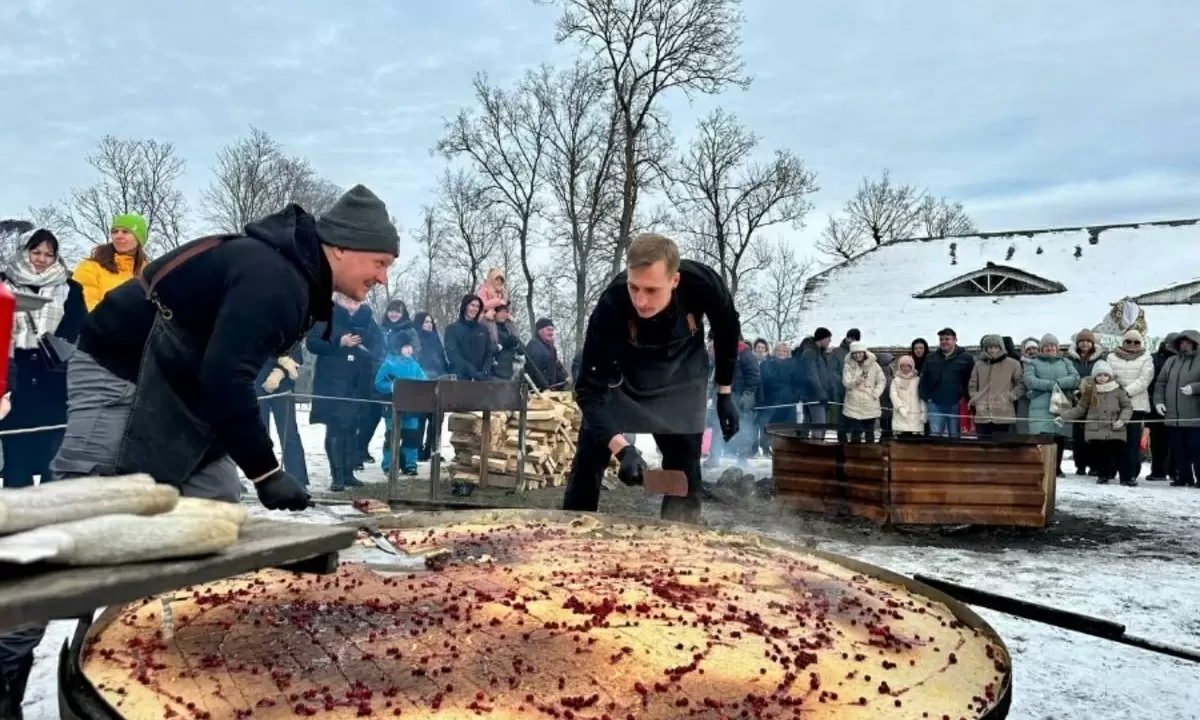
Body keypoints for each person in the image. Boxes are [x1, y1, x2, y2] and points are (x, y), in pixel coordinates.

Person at [3, 185, 398, 712]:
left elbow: (225, 368)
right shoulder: (274, 277)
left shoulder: (299, 278)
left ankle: (154, 646)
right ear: (342, 248)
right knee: (84, 528)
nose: (383, 277)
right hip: (120, 370)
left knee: (215, 509)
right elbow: (225, 377)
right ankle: (7, 661)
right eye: (380, 261)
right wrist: (266, 471)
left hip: (181, 387)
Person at [565, 233, 740, 522]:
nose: (641, 301)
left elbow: (727, 331)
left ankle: (680, 538)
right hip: (624, 380)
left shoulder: (704, 284)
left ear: (675, 281)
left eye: (651, 290)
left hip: (682, 379)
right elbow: (587, 390)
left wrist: (725, 393)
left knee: (684, 468)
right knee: (589, 454)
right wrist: (622, 450)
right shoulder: (611, 305)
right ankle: (569, 534)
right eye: (634, 287)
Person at [0, 228, 87, 487]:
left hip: (53, 371)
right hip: (15, 369)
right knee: (15, 443)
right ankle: (15, 504)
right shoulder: (3, 283)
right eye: (35, 252)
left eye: (49, 254)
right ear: (23, 252)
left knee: (53, 443)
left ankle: (52, 505)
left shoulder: (70, 288)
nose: (41, 259)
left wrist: (57, 344)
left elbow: (78, 325)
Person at [307, 293, 382, 491]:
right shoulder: (327, 316)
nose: (352, 305)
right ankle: (337, 475)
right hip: (333, 382)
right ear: (338, 300)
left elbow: (379, 346)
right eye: (347, 301)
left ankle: (349, 473)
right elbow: (312, 343)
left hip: (359, 383)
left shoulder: (367, 320)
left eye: (355, 301)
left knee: (353, 427)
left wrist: (368, 352)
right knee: (336, 426)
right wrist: (339, 342)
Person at [1058, 361, 1133, 485]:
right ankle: (1103, 475)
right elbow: (1080, 408)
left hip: (1115, 428)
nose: (1102, 378)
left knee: (1121, 453)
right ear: (1094, 376)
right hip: (1096, 429)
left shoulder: (1118, 390)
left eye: (1105, 375)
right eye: (1099, 375)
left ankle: (1126, 478)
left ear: (1110, 376)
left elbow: (1127, 407)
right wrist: (1064, 416)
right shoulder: (1089, 391)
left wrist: (1123, 420)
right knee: (1101, 454)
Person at [1024, 334, 1080, 477]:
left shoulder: (1066, 362)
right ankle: (1039, 466)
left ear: (1057, 347)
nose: (1050, 348)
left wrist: (1060, 383)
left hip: (1060, 404)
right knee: (1041, 438)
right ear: (1042, 348)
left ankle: (1057, 468)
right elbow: (1029, 380)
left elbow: (1075, 378)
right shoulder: (1033, 363)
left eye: (1052, 345)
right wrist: (1050, 385)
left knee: (1058, 437)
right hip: (1040, 405)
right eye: (1047, 346)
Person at [375, 330, 427, 475]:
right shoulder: (388, 364)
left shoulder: (414, 365)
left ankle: (409, 464)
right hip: (394, 406)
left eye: (410, 346)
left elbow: (423, 380)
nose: (409, 349)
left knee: (411, 436)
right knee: (393, 435)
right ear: (397, 347)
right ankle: (389, 464)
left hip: (412, 406)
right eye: (405, 346)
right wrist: (391, 387)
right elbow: (379, 383)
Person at [256, 345, 309, 486]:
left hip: (283, 384)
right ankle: (264, 479)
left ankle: (297, 479)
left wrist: (280, 371)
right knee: (260, 434)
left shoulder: (288, 327)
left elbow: (297, 355)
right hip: (256, 382)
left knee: (289, 432)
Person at [1152, 330, 1200, 487]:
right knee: (1178, 449)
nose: (1183, 345)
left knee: (1196, 449)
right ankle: (1184, 477)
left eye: (1187, 342)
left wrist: (1194, 388)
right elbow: (1160, 383)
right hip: (1173, 415)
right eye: (1181, 342)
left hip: (1195, 415)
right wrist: (1158, 401)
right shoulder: (1171, 361)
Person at [74, 213, 149, 311]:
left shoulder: (148, 275)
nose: (118, 236)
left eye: (125, 232)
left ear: (139, 239)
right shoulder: (90, 267)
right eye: (115, 231)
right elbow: (85, 307)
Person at [1107, 329, 1155, 482]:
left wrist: (1126, 391)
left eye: (1136, 342)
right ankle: (1111, 470)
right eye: (1128, 341)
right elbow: (1107, 375)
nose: (1132, 344)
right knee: (1114, 439)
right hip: (1115, 403)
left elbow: (1145, 379)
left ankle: (1132, 472)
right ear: (1123, 342)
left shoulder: (1147, 358)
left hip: (1136, 405)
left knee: (1132, 441)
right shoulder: (1111, 357)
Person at [919, 328, 975, 437]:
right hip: (935, 403)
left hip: (956, 403)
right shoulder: (931, 358)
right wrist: (927, 398)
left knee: (955, 435)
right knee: (935, 434)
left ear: (955, 340)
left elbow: (971, 380)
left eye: (947, 339)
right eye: (941, 339)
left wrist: (965, 397)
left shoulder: (966, 358)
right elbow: (923, 379)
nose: (944, 342)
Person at [968, 334, 1024, 439]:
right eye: (990, 347)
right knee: (983, 446)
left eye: (995, 347)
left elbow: (1021, 384)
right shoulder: (978, 365)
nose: (992, 350)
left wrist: (1010, 396)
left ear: (1000, 348)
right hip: (982, 413)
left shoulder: (1013, 364)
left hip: (1004, 413)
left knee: (1002, 447)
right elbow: (972, 385)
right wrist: (975, 398)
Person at [1067, 329, 1107, 476]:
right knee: (1078, 435)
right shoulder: (1070, 359)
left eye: (1088, 341)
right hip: (1076, 398)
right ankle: (1080, 464)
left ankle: (1094, 465)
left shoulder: (1100, 359)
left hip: (1095, 400)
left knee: (1094, 433)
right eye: (1082, 341)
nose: (1085, 343)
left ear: (1093, 343)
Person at [412, 311, 448, 461]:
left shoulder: (435, 338)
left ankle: (433, 449)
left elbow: (441, 358)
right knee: (420, 418)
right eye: (425, 322)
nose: (429, 325)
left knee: (437, 418)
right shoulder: (416, 338)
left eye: (430, 322)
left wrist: (446, 372)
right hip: (422, 381)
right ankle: (418, 450)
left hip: (438, 380)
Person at [1147, 332, 1180, 481]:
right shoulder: (1153, 359)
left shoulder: (1182, 359)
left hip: (1178, 405)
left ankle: (1175, 471)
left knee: (1176, 440)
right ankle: (1158, 471)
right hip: (1157, 405)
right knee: (1158, 442)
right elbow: (1151, 381)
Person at [841, 341, 887, 443]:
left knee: (869, 432)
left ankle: (869, 455)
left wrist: (875, 393)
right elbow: (846, 382)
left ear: (864, 352)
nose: (858, 355)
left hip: (870, 403)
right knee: (856, 432)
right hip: (853, 403)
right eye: (855, 353)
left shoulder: (874, 365)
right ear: (852, 354)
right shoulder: (848, 366)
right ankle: (854, 455)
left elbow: (882, 381)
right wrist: (855, 382)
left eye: (860, 352)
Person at [444, 295, 494, 381]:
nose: (475, 309)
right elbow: (453, 355)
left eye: (477, 307)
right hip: (460, 378)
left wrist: (485, 371)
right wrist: (471, 371)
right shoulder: (452, 329)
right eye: (472, 305)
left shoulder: (483, 329)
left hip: (481, 378)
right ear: (465, 306)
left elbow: (489, 352)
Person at [797, 328, 836, 439]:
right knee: (819, 425)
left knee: (809, 423)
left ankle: (804, 448)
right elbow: (811, 375)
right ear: (822, 338)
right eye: (828, 338)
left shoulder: (819, 352)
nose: (830, 341)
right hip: (813, 395)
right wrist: (821, 394)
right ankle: (817, 448)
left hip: (816, 395)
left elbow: (824, 374)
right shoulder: (810, 352)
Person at [526, 317, 570, 390]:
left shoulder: (550, 347)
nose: (551, 333)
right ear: (540, 330)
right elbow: (533, 371)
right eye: (548, 330)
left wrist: (564, 377)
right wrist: (544, 387)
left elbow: (556, 364)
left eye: (552, 330)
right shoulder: (534, 346)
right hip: (539, 391)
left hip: (550, 389)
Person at [890, 355, 926, 437]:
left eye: (907, 366)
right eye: (902, 366)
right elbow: (893, 395)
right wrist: (900, 407)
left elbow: (922, 397)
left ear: (912, 366)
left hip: (915, 416)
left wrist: (924, 412)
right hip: (901, 415)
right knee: (902, 441)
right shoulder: (896, 380)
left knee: (915, 442)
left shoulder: (917, 380)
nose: (905, 368)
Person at [490, 303, 525, 381]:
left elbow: (522, 350)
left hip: (510, 371)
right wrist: (502, 344)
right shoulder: (490, 328)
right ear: (494, 313)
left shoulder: (510, 329)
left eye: (506, 312)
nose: (503, 314)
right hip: (494, 371)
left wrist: (516, 344)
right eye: (500, 312)